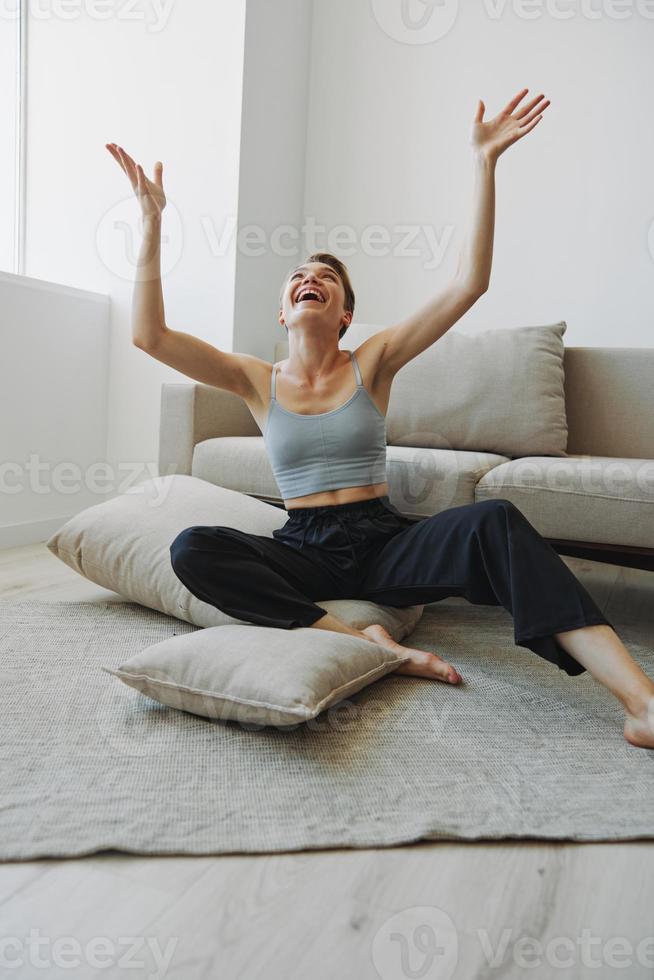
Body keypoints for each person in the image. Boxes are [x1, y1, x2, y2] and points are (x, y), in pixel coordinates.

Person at [106, 88, 654, 748]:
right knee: (193, 547)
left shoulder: (373, 359)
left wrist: (484, 164)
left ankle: (640, 699)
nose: (310, 277)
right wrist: (152, 220)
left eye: (327, 278)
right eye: (298, 277)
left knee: (498, 522)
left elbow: (466, 284)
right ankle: (367, 645)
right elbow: (150, 337)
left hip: (383, 542)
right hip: (303, 548)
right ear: (284, 313)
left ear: (343, 314)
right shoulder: (255, 379)